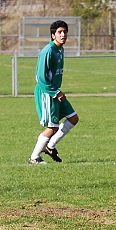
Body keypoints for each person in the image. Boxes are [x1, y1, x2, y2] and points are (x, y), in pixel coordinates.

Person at [29, 20, 79, 164]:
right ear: (53, 35)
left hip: (56, 92)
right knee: (52, 127)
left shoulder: (60, 49)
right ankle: (34, 157)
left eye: (65, 32)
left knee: (73, 118)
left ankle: (50, 147)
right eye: (59, 32)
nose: (63, 35)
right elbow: (40, 78)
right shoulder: (48, 51)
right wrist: (55, 92)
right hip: (47, 93)